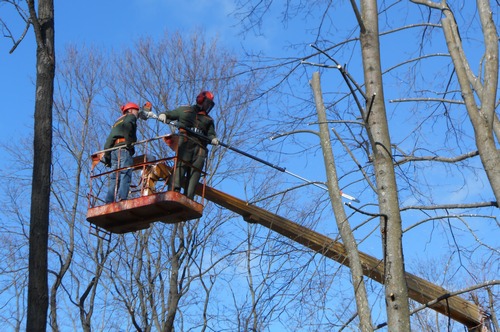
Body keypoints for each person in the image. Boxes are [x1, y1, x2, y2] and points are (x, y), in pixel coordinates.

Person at [158, 91, 219, 199]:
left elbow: (211, 134)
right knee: (180, 167)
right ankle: (173, 191)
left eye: (210, 104)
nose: (208, 106)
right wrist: (163, 115)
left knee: (195, 173)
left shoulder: (208, 120)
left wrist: (213, 139)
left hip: (200, 148)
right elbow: (170, 114)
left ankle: (189, 197)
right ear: (201, 100)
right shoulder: (185, 111)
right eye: (207, 103)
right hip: (186, 143)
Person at [102, 102, 140, 203]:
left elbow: (109, 140)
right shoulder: (130, 117)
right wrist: (129, 143)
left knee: (115, 176)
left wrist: (107, 157)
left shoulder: (117, 122)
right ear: (131, 110)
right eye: (137, 111)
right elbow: (128, 125)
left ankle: (109, 201)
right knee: (125, 172)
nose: (137, 114)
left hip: (114, 150)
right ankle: (123, 198)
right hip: (123, 149)